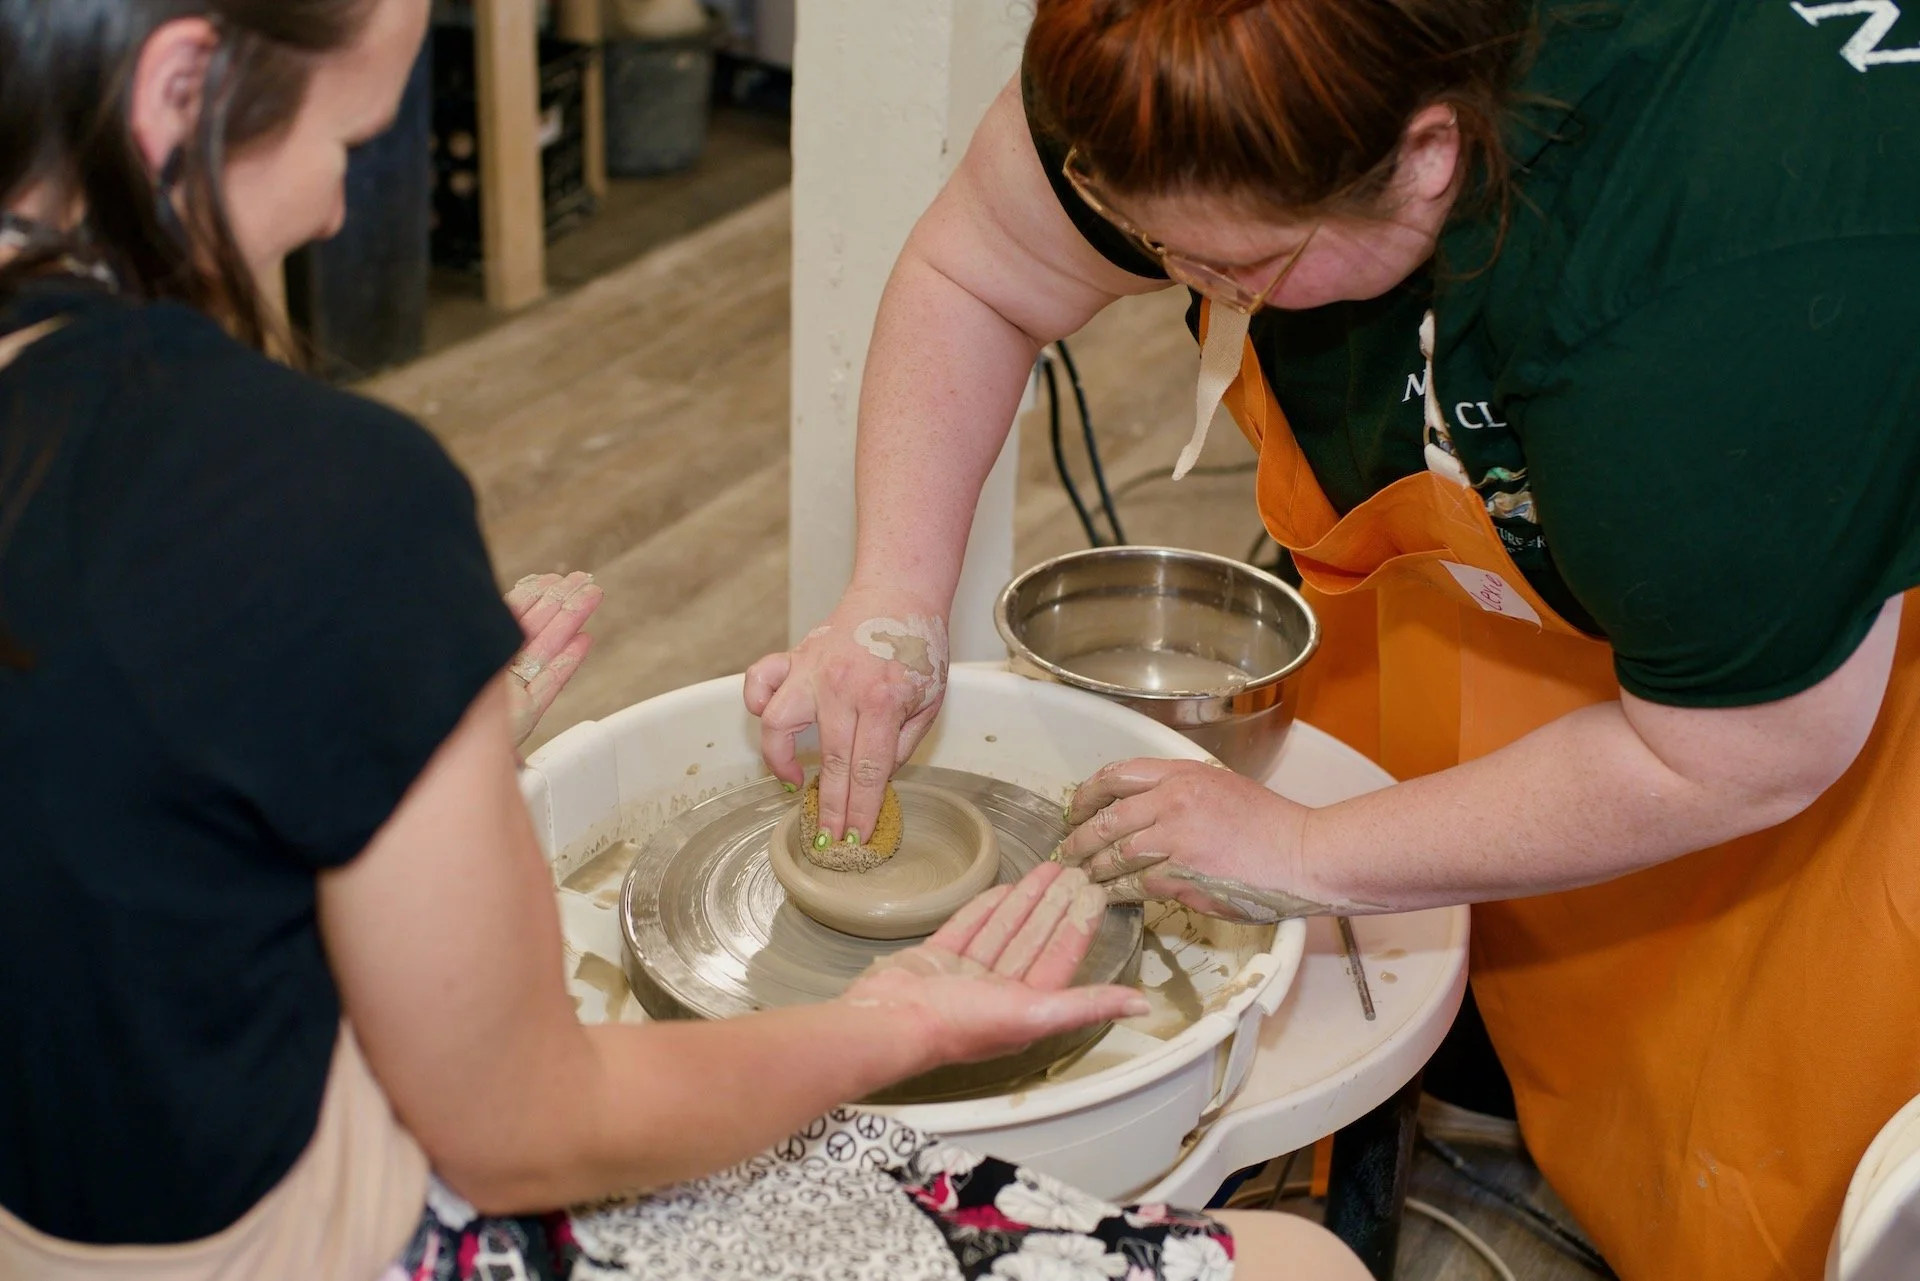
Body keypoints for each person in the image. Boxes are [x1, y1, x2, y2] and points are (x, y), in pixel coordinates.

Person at [0, 3, 1370, 1279]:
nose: (335, 207)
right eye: (345, 139)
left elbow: (92, 792)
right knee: (1301, 1267)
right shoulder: (309, 493)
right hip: (314, 1239)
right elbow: (520, 1129)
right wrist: (884, 1025)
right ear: (181, 87)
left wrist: (374, 735)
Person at [745, 1, 1920, 1277]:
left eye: (1232, 267)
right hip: (1584, 545)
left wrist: (1306, 851)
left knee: (1751, 1139)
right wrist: (889, 599)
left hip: (1827, 624)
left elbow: (1744, 753)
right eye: (1152, 243)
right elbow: (982, 270)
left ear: (1424, 156)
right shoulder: (1188, 45)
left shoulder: (1721, 276)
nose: (1175, 278)